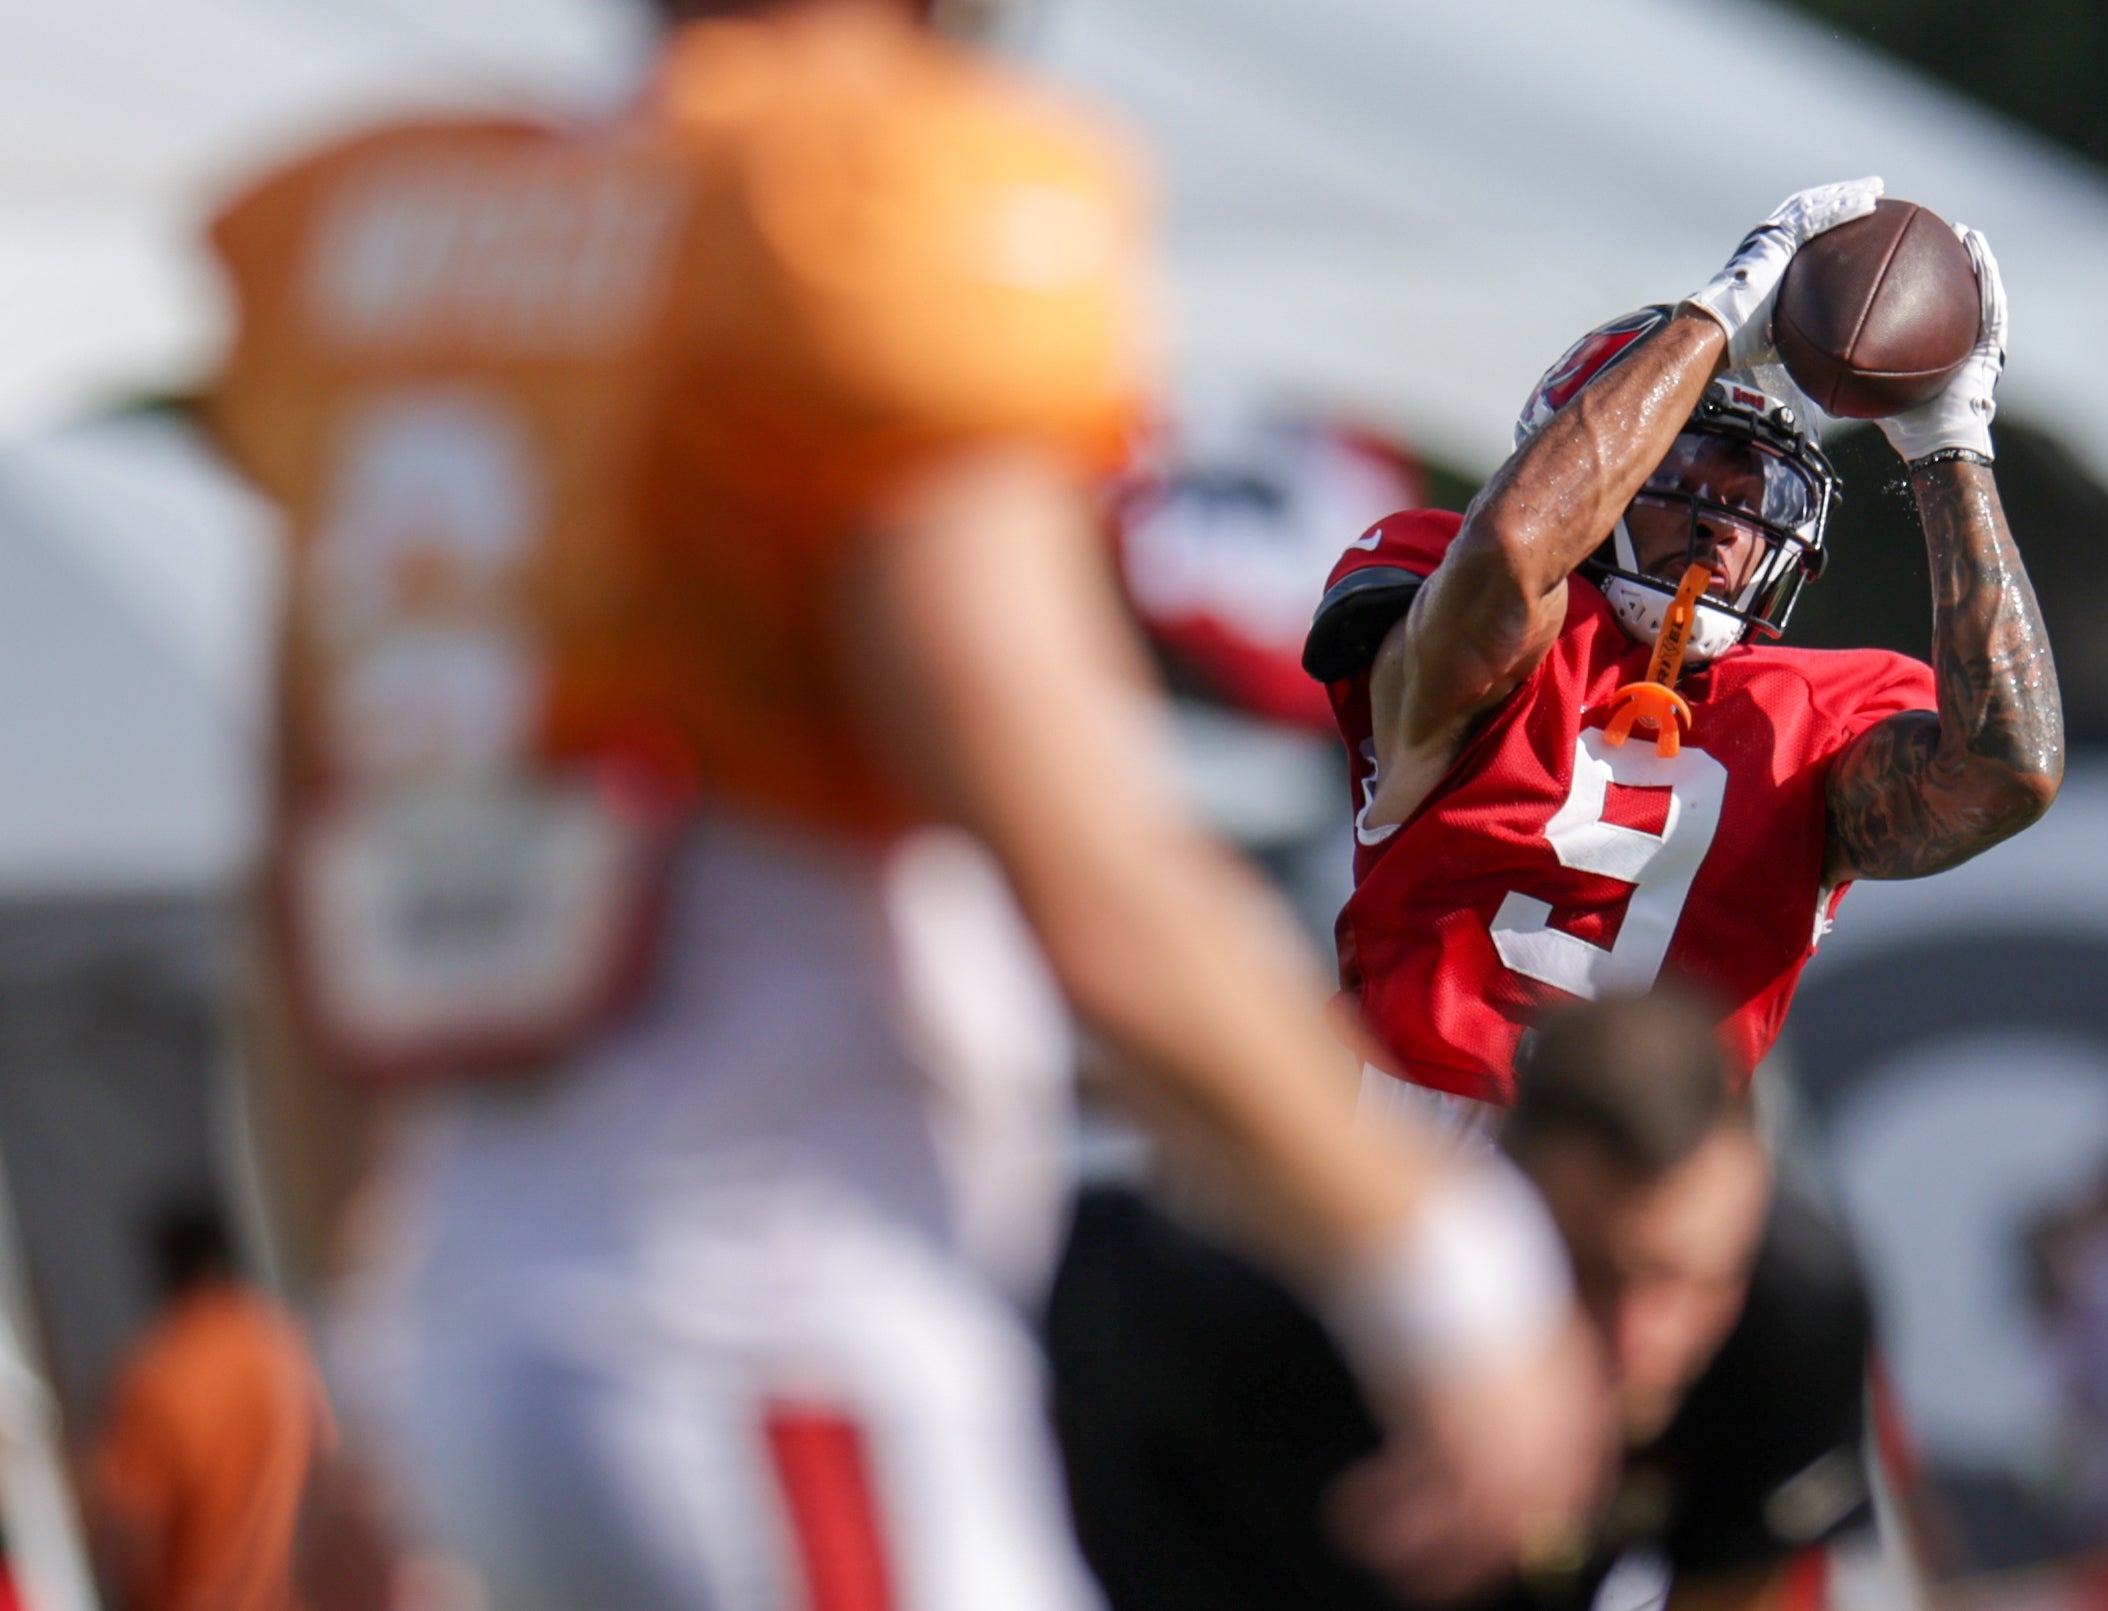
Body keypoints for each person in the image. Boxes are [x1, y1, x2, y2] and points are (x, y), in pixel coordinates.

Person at [202, 1, 1604, 1606]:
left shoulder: (414, 250)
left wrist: (373, 1364)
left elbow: (308, 915)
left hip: (492, 1342)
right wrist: (1449, 1274)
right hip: (770, 1334)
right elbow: (1091, 873)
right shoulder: (852, 208)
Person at [1308, 178, 2064, 1122]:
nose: (1725, 522)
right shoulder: (1473, 607)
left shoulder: (1820, 716)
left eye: (1763, 497)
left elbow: (2009, 770)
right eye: (1685, 474)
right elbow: (1509, 555)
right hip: (1400, 1133)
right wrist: (1716, 317)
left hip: (1644, 1195)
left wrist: (1952, 449)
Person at [1054, 988, 1881, 1611]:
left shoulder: (1790, 1311)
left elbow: (1734, 1577)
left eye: (1687, 1278)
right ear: (1502, 1197)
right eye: (1589, 1269)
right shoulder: (1289, 1312)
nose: (1640, 1336)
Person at [84, 1198, 329, 1611]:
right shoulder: (286, 1346)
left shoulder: (158, 1371)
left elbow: (132, 1528)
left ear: (169, 1270)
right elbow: (327, 1479)